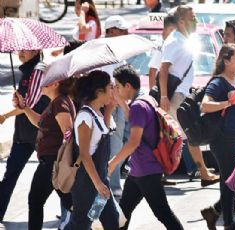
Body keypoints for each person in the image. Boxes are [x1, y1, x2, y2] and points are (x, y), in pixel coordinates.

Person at [108, 65, 183, 230]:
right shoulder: (146, 100)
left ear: (128, 86)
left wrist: (113, 162)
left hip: (146, 170)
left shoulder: (137, 106)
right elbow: (134, 119)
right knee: (123, 213)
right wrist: (119, 99)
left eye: (118, 86)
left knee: (163, 214)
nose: (117, 89)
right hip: (139, 170)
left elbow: (134, 141)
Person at [158, 6, 220, 186]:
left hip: (183, 94)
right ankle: (200, 172)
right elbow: (163, 69)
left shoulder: (184, 40)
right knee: (181, 134)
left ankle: (202, 171)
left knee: (186, 134)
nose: (196, 21)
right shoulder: (174, 41)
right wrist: (163, 96)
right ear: (181, 21)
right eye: (193, 18)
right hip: (175, 96)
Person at [200, 44, 235, 230]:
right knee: (230, 181)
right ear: (226, 61)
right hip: (223, 139)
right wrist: (228, 102)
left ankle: (214, 211)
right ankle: (229, 224)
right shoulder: (218, 83)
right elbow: (205, 106)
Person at [14, 78, 75, 230]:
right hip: (52, 161)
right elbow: (40, 122)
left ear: (56, 84)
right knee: (71, 203)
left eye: (46, 81)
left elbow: (68, 133)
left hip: (53, 162)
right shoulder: (55, 102)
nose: (41, 84)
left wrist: (63, 163)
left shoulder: (60, 103)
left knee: (35, 200)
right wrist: (25, 107)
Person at [64, 71, 119, 229]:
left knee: (111, 220)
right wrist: (98, 184)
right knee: (81, 224)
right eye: (110, 87)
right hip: (88, 185)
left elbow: (104, 135)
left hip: (100, 180)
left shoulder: (99, 114)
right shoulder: (85, 117)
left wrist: (109, 110)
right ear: (99, 91)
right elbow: (84, 154)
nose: (113, 91)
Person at [0, 50, 50, 222]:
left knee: (56, 181)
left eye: (25, 49)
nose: (20, 52)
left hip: (41, 135)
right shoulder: (26, 72)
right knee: (10, 176)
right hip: (24, 134)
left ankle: (75, 213)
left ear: (36, 50)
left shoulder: (38, 71)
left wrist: (6, 115)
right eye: (19, 49)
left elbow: (28, 104)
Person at [101, 14, 132, 199]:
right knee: (113, 146)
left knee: (117, 145)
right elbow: (111, 85)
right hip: (109, 106)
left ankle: (113, 189)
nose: (126, 33)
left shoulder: (119, 53)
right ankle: (111, 190)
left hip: (118, 105)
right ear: (111, 31)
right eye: (122, 31)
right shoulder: (105, 53)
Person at [148, 14, 177, 89]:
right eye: (171, 30)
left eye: (175, 30)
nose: (173, 33)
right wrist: (152, 95)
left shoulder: (172, 43)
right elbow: (152, 71)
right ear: (165, 29)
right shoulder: (161, 45)